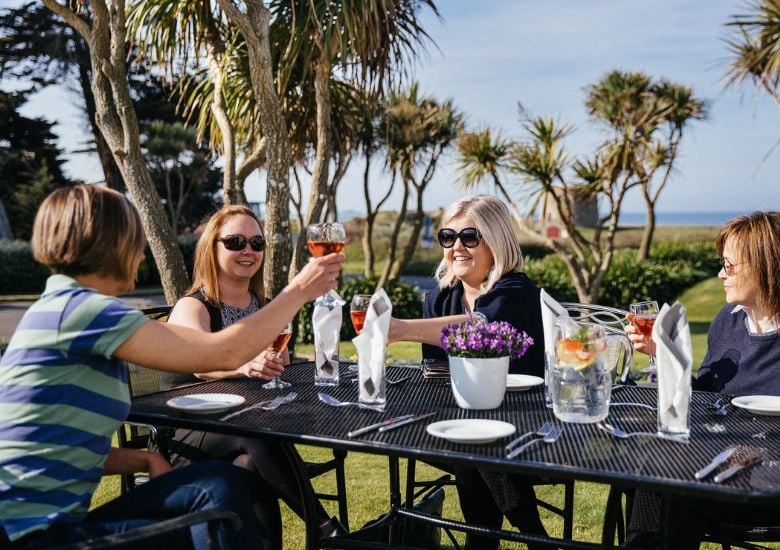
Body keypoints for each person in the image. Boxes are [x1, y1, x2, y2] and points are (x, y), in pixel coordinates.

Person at [0, 185, 343, 549]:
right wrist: (300, 290)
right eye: (136, 242)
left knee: (222, 483)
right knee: (217, 491)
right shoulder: (85, 311)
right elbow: (221, 355)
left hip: (42, 527)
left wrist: (144, 458)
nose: (142, 257)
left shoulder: (61, 309)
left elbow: (61, 444)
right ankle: (331, 537)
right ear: (110, 244)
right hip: (32, 537)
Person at [162, 205, 344, 543]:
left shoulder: (263, 306)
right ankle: (324, 528)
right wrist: (243, 365)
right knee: (255, 432)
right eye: (235, 242)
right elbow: (199, 362)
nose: (248, 250)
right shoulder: (193, 306)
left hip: (246, 429)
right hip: (190, 434)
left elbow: (282, 365)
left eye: (257, 243)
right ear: (211, 248)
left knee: (248, 467)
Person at [391, 195, 547, 550]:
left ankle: (514, 540)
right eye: (449, 237)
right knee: (471, 440)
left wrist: (401, 328)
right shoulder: (438, 300)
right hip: (450, 423)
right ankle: (537, 539)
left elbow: (482, 327)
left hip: (526, 429)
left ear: (495, 242)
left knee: (476, 447)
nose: (457, 246)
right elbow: (436, 374)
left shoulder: (516, 292)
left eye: (470, 237)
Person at [625, 211, 780, 548]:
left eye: (730, 266)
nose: (720, 274)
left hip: (769, 482)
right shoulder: (728, 322)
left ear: (765, 265)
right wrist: (662, 354)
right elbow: (703, 402)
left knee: (662, 480)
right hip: (714, 465)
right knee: (649, 470)